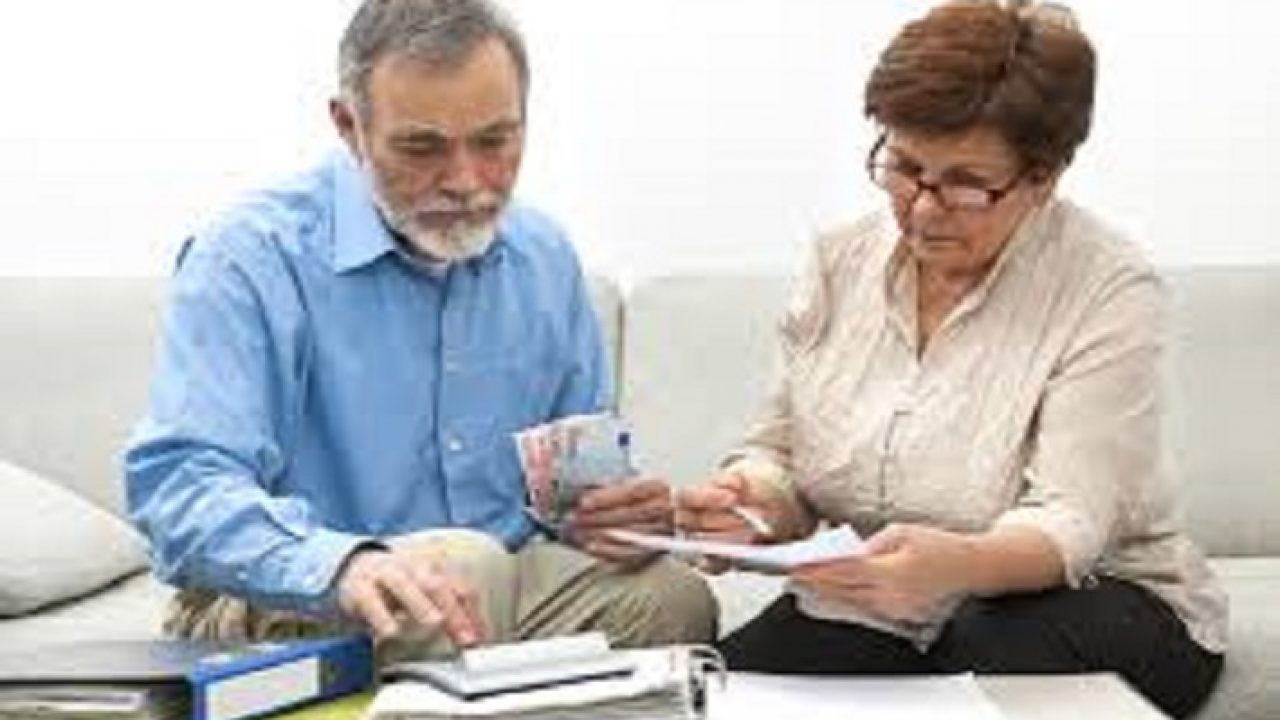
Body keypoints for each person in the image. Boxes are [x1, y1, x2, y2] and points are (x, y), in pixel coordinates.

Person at [674, 1, 1225, 716]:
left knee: (984, 648)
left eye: (965, 183)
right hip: (885, 607)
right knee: (716, 692)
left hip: (1094, 601)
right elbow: (780, 455)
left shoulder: (1107, 287)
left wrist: (956, 565)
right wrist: (750, 503)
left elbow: (1071, 521)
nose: (924, 209)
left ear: (1044, 176)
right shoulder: (840, 261)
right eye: (905, 167)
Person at [124, 0, 715, 659]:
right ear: (350, 127)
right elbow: (180, 488)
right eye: (422, 148)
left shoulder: (544, 257)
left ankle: (489, 679)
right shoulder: (249, 256)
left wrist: (615, 517)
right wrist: (344, 565)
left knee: (671, 599)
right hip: (297, 593)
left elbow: (575, 493)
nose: (465, 181)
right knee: (457, 572)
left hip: (483, 587)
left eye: (494, 141)